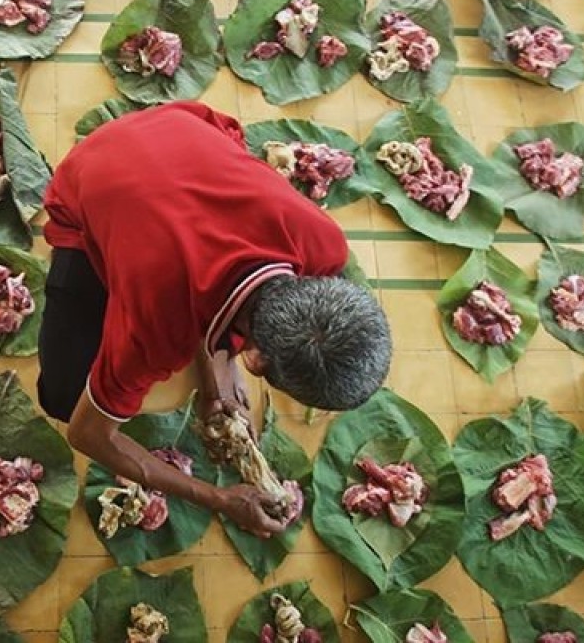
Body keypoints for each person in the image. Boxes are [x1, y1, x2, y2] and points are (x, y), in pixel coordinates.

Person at [37, 101, 392, 538]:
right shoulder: (155, 329)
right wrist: (219, 497)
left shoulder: (324, 241)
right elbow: (88, 435)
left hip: (179, 126)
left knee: (189, 272)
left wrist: (213, 376)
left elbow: (225, 281)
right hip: (90, 171)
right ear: (256, 362)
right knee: (62, 396)